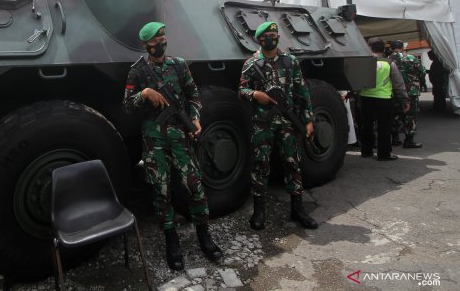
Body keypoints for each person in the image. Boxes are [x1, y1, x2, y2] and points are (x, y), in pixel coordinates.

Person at [123, 21, 223, 270]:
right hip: (154, 140)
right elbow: (126, 106)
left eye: (163, 39)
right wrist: (143, 94)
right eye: (155, 42)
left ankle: (204, 235)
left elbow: (193, 95)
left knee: (195, 186)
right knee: (162, 191)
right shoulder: (137, 71)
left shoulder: (178, 66)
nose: (160, 44)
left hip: (180, 136)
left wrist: (196, 117)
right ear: (146, 45)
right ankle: (172, 241)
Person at [238, 21, 318, 231]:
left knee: (293, 163)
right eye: (267, 36)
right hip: (262, 123)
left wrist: (308, 119)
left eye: (274, 34)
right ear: (259, 39)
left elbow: (302, 92)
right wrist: (256, 94)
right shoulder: (250, 64)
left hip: (287, 122)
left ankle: (298, 209)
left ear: (278, 37)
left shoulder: (290, 61)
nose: (271, 38)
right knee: (260, 165)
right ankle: (259, 211)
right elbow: (241, 91)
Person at [358, 38, 409, 161]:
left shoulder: (363, 62)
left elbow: (357, 80)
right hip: (384, 99)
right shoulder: (389, 63)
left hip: (365, 98)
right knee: (384, 127)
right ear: (383, 49)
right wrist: (405, 100)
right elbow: (398, 84)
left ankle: (366, 151)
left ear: (369, 47)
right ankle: (384, 154)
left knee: (367, 126)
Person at [389, 40, 424, 148]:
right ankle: (409, 141)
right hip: (410, 91)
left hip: (394, 92)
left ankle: (394, 139)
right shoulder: (411, 58)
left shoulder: (388, 60)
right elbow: (422, 72)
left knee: (394, 115)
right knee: (410, 116)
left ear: (391, 49)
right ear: (403, 48)